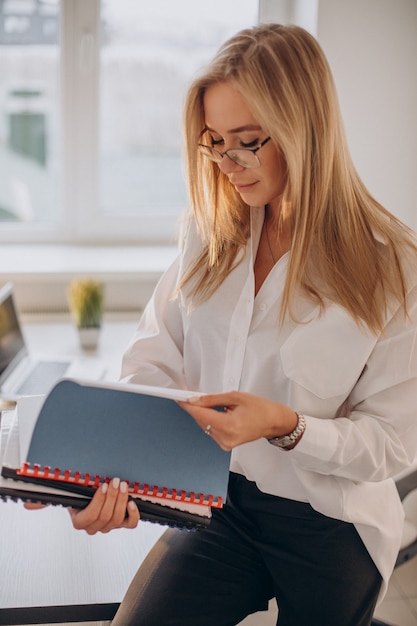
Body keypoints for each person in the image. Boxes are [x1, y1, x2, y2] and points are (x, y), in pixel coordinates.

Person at [31, 23, 417, 625]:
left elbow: (392, 445)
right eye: (213, 142)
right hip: (222, 502)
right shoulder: (209, 235)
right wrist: (97, 481)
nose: (226, 164)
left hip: (335, 524)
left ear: (304, 130)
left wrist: (288, 427)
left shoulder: (392, 266)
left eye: (246, 142)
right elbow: (152, 367)